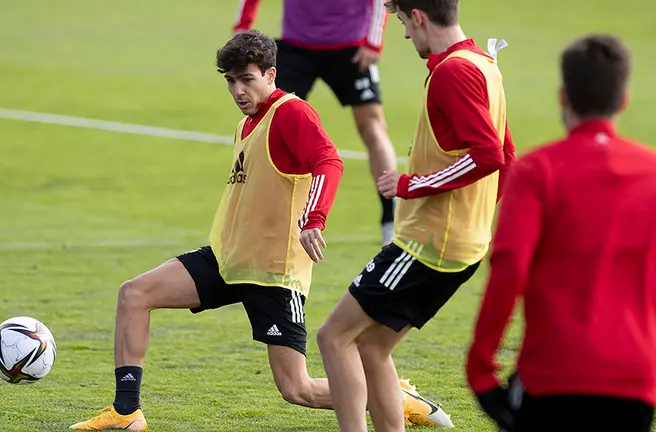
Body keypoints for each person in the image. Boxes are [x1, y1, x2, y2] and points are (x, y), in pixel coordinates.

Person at [69, 29, 344, 431]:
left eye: (246, 78)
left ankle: (391, 394)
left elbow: (328, 161)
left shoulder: (291, 113)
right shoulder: (245, 125)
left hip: (272, 273)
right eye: (231, 80)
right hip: (227, 260)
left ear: (270, 74)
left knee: (297, 389)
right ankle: (126, 412)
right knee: (134, 294)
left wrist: (314, 220)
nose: (238, 89)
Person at [315, 0, 516, 430]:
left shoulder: (452, 72)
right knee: (372, 349)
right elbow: (508, 155)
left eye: (404, 21)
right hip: (462, 244)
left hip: (427, 244)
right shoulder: (483, 63)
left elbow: (489, 156)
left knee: (333, 337)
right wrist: (476, 218)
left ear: (420, 16)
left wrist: (411, 185)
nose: (404, 34)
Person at [466, 34, 656, 432]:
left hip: (552, 375)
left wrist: (481, 367)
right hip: (634, 381)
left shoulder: (536, 170)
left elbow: (509, 267)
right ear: (623, 100)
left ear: (563, 96)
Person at [233, 0, 400, 245]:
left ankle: (390, 218)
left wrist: (374, 41)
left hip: (351, 47)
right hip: (296, 46)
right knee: (266, 123)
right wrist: (243, 24)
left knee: (372, 126)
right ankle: (259, 215)